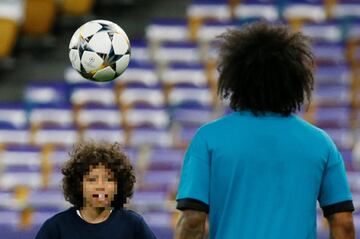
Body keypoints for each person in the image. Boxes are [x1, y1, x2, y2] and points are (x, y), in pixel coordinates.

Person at [175, 22, 355, 239]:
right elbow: (343, 223)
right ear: (295, 82)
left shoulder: (208, 139)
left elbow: (193, 221)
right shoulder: (321, 143)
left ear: (236, 80)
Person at [35, 141, 157, 239]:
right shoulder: (56, 227)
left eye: (108, 179)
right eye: (92, 180)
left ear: (118, 185)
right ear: (79, 185)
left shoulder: (133, 224)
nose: (100, 186)